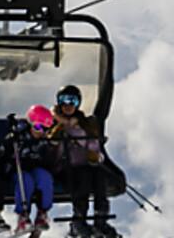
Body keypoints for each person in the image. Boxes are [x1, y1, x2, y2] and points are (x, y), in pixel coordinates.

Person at [52, 86, 114, 237]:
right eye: (64, 100)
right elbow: (53, 147)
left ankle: (101, 217)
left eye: (72, 101)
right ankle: (79, 219)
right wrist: (65, 126)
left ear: (78, 103)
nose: (68, 105)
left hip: (85, 165)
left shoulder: (85, 123)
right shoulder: (54, 123)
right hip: (65, 169)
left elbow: (93, 146)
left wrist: (94, 153)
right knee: (84, 176)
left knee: (99, 175)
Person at [7, 105, 60, 235]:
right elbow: (5, 153)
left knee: (45, 178)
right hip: (19, 169)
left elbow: (50, 159)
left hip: (36, 168)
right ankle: (23, 216)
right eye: (37, 127)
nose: (41, 132)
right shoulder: (19, 136)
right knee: (26, 180)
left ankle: (42, 213)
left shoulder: (44, 141)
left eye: (45, 129)